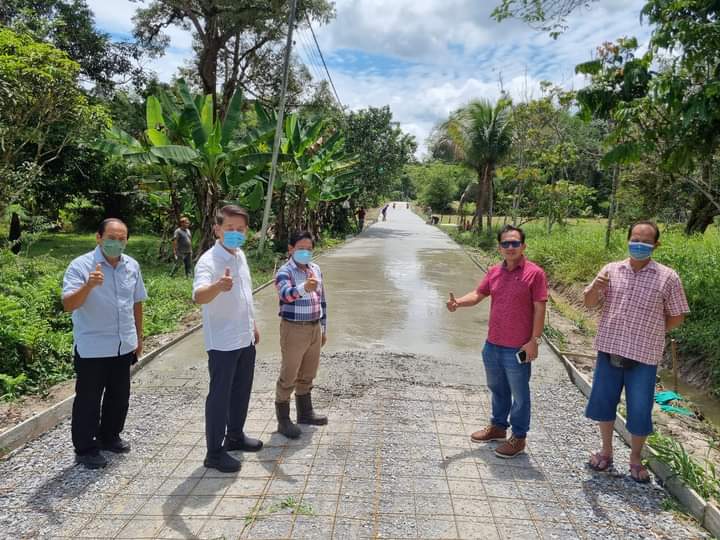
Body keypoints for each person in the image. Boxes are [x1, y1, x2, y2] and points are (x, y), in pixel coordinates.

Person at [583, 220, 689, 483]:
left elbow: (677, 316)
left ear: (656, 245)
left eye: (645, 241)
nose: (639, 245)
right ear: (628, 239)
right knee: (604, 402)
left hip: (644, 355)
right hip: (610, 349)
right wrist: (596, 285)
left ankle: (635, 459)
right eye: (635, 239)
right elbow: (588, 302)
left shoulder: (667, 276)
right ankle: (606, 451)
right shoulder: (610, 270)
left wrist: (653, 330)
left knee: (640, 409)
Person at [446, 225, 547, 458]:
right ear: (499, 247)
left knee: (520, 395)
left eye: (514, 243)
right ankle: (498, 427)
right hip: (492, 344)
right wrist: (458, 303)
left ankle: (519, 438)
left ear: (523, 246)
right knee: (497, 388)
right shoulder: (494, 272)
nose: (510, 247)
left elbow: (539, 308)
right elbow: (478, 294)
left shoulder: (535, 273)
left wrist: (534, 340)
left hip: (518, 347)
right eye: (505, 243)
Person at [62, 218, 147, 469]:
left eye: (122, 239)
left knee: (119, 396)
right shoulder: (80, 266)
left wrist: (139, 337)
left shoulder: (132, 265)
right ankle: (85, 448)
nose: (116, 243)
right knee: (88, 399)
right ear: (98, 237)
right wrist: (88, 285)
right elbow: (68, 305)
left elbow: (137, 301)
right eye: (111, 238)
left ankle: (110, 436)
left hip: (123, 344)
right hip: (93, 346)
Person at [193, 205, 263, 473]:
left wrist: (253, 325)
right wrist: (217, 287)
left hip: (244, 337)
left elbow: (245, 295)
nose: (235, 234)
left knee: (242, 389)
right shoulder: (209, 261)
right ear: (217, 229)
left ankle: (235, 436)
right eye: (230, 229)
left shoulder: (240, 255)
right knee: (219, 396)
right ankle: (214, 452)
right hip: (222, 342)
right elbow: (199, 296)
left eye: (241, 230)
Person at [274, 231, 328, 439]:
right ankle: (284, 420)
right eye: (300, 249)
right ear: (290, 249)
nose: (305, 253)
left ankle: (305, 413)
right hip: (294, 328)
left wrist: (323, 328)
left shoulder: (316, 269)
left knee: (308, 372)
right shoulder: (285, 272)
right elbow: (285, 295)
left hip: (314, 327)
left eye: (308, 249)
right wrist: (304, 288)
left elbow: (323, 300)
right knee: (289, 374)